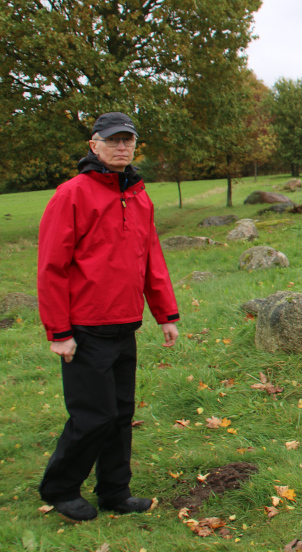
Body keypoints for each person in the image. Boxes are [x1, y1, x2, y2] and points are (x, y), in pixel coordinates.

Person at [37, 112, 180, 521]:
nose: (122, 147)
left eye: (128, 141)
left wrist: (165, 313)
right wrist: (59, 332)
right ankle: (60, 488)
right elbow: (51, 267)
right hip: (84, 328)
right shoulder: (72, 195)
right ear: (94, 145)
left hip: (124, 325)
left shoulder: (138, 195)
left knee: (119, 414)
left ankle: (114, 491)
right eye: (113, 140)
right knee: (92, 416)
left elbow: (151, 255)